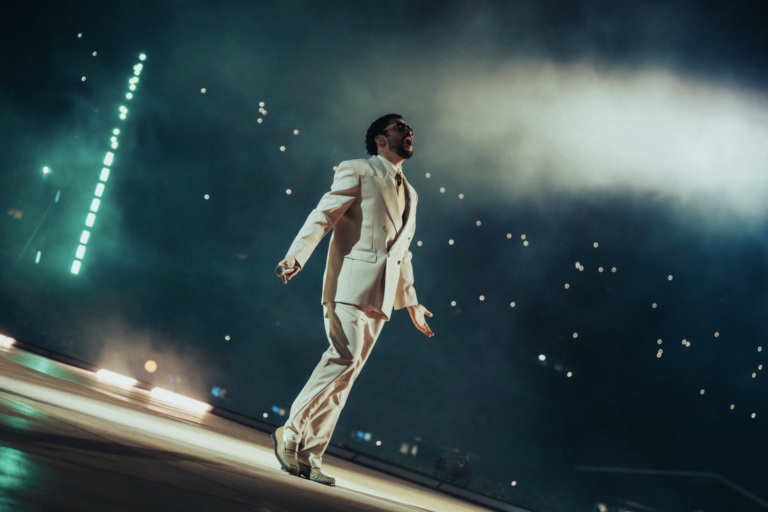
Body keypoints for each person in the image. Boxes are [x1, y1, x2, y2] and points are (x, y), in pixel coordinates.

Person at [271, 114, 434, 486]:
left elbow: (403, 251)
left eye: (409, 128)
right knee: (343, 357)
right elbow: (323, 215)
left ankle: (310, 455)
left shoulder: (411, 193)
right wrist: (295, 256)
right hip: (349, 282)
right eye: (400, 127)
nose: (408, 131)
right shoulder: (358, 169)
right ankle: (290, 432)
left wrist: (411, 300)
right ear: (380, 139)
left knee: (346, 377)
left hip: (381, 294)